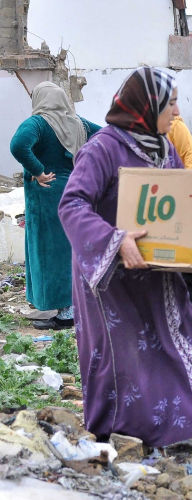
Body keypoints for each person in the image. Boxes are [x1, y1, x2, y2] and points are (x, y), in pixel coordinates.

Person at [58, 66, 192, 448]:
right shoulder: (103, 149)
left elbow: (183, 207)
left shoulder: (164, 150)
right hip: (112, 278)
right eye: (170, 104)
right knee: (125, 358)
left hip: (157, 274)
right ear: (147, 105)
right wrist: (115, 239)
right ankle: (119, 431)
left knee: (185, 342)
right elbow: (72, 204)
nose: (176, 113)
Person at [10, 82, 101, 330]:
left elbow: (18, 145)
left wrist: (38, 171)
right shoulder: (78, 123)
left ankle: (66, 312)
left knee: (52, 253)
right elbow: (106, 137)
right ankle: (75, 306)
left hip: (48, 196)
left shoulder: (38, 123)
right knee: (71, 249)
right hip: (76, 192)